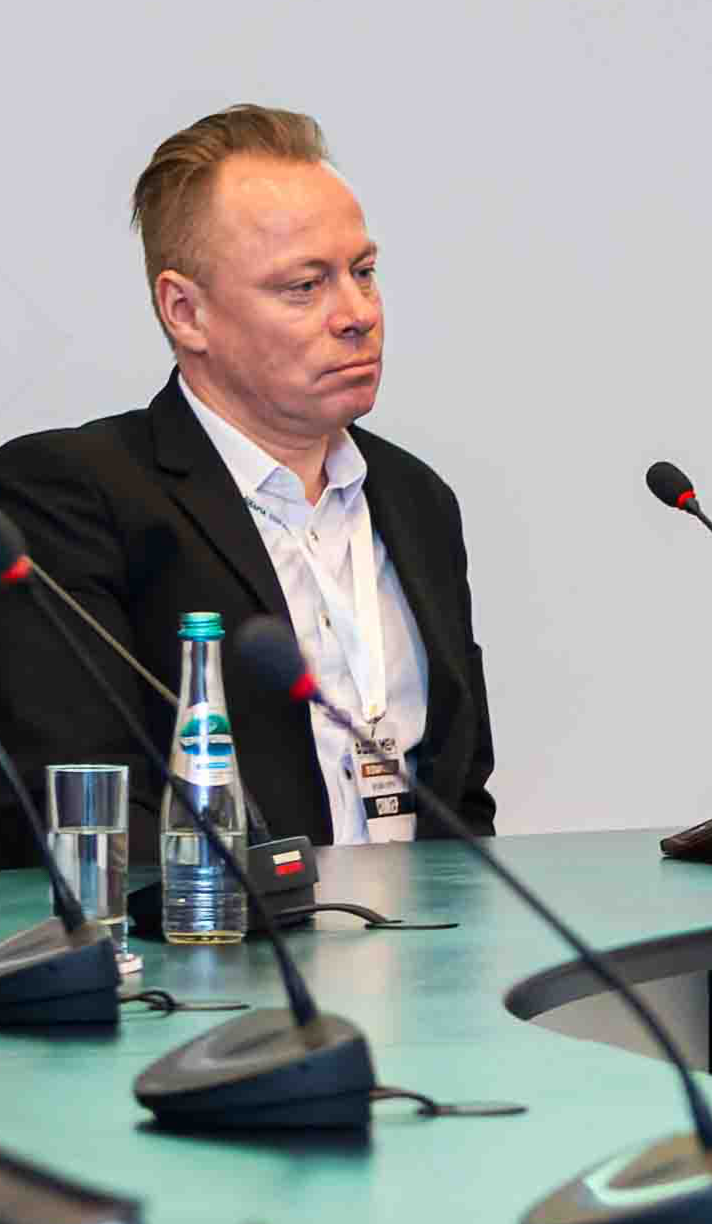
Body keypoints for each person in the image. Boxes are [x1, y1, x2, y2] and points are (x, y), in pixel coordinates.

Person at [0, 105, 498, 851]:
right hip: (220, 925)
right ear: (186, 312)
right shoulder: (72, 495)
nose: (357, 314)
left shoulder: (416, 498)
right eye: (304, 286)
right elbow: (80, 805)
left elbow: (462, 793)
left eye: (363, 273)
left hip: (425, 924)